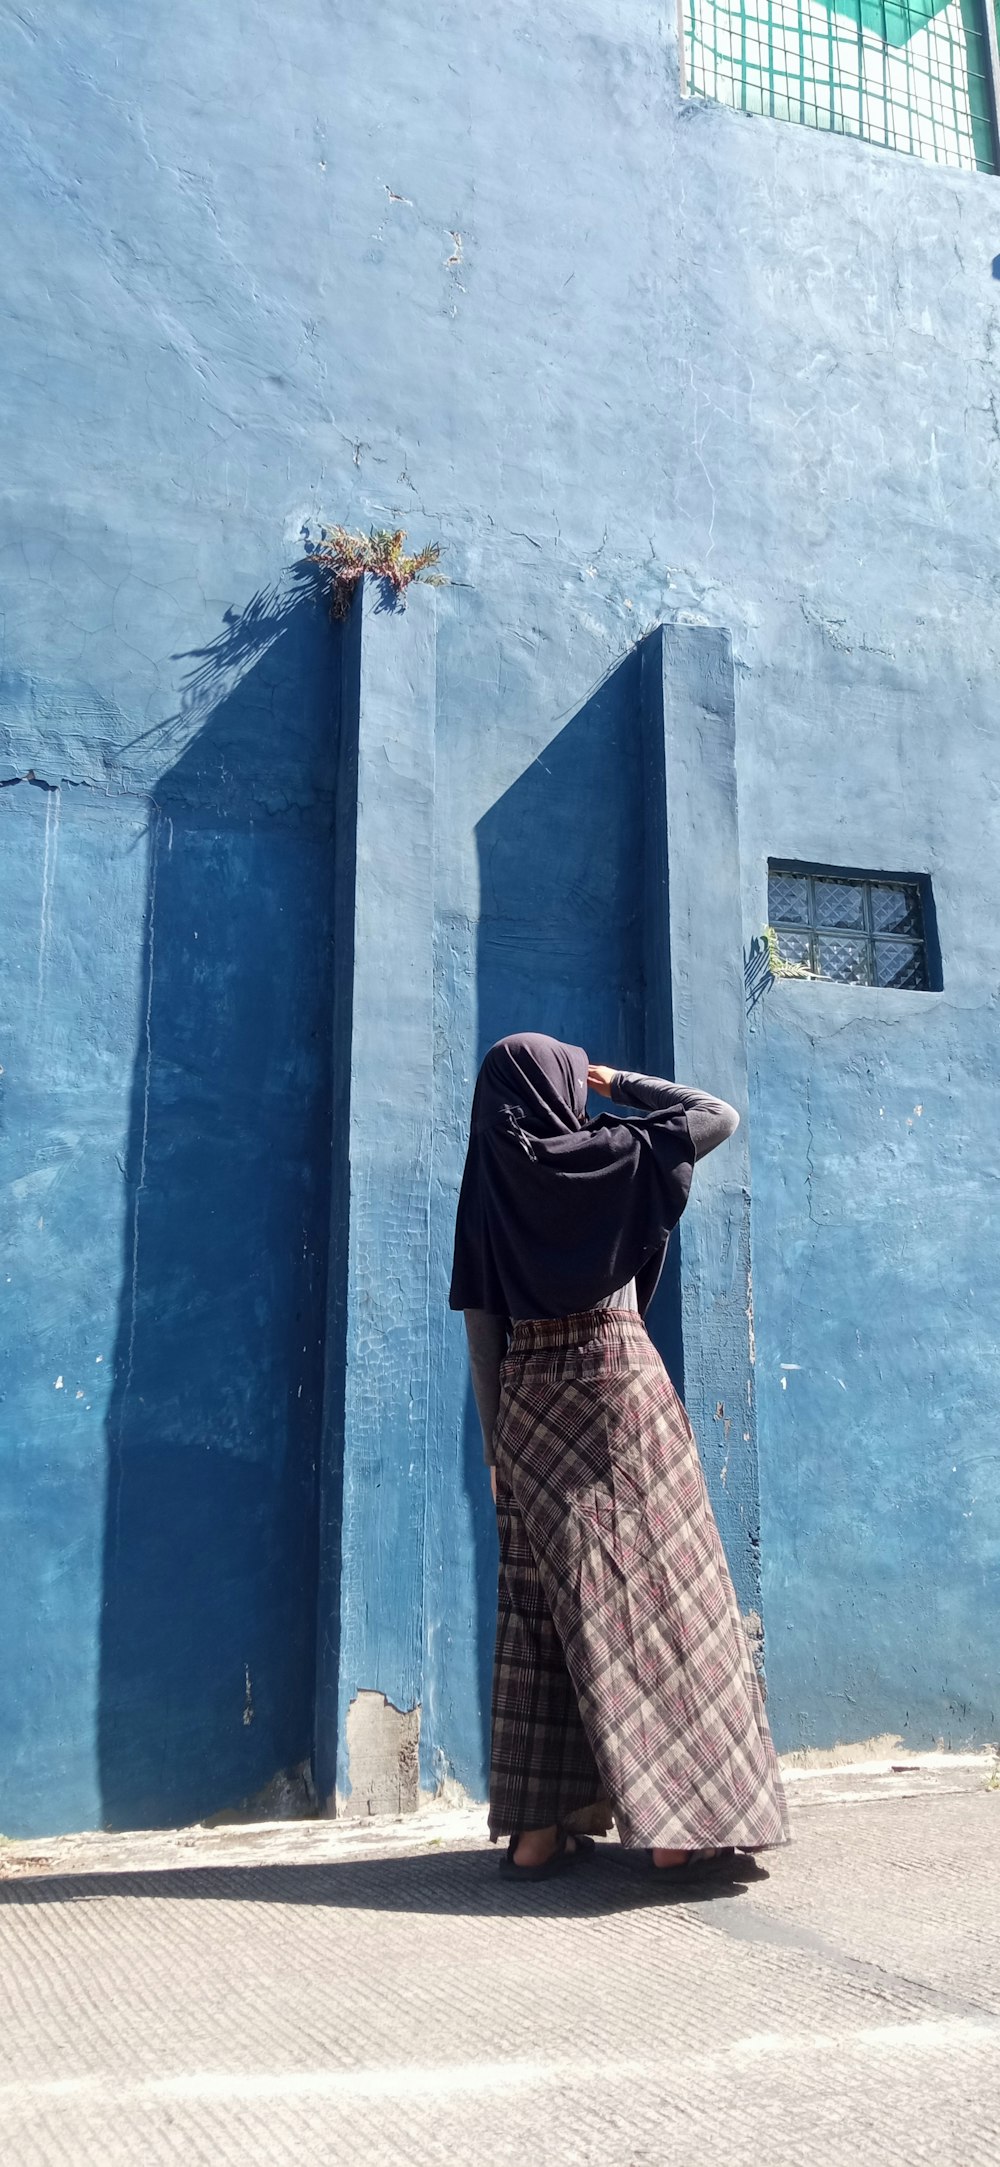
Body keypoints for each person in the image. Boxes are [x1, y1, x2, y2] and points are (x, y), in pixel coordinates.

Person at [449, 1032, 789, 1881]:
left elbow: (482, 1330)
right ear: (567, 1085)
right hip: (616, 1385)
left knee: (538, 1611)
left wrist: (497, 1444)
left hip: (528, 1403)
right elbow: (716, 1115)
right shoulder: (610, 1152)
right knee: (666, 1595)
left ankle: (535, 1835)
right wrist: (620, 1082)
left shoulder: (487, 1183)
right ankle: (678, 1828)